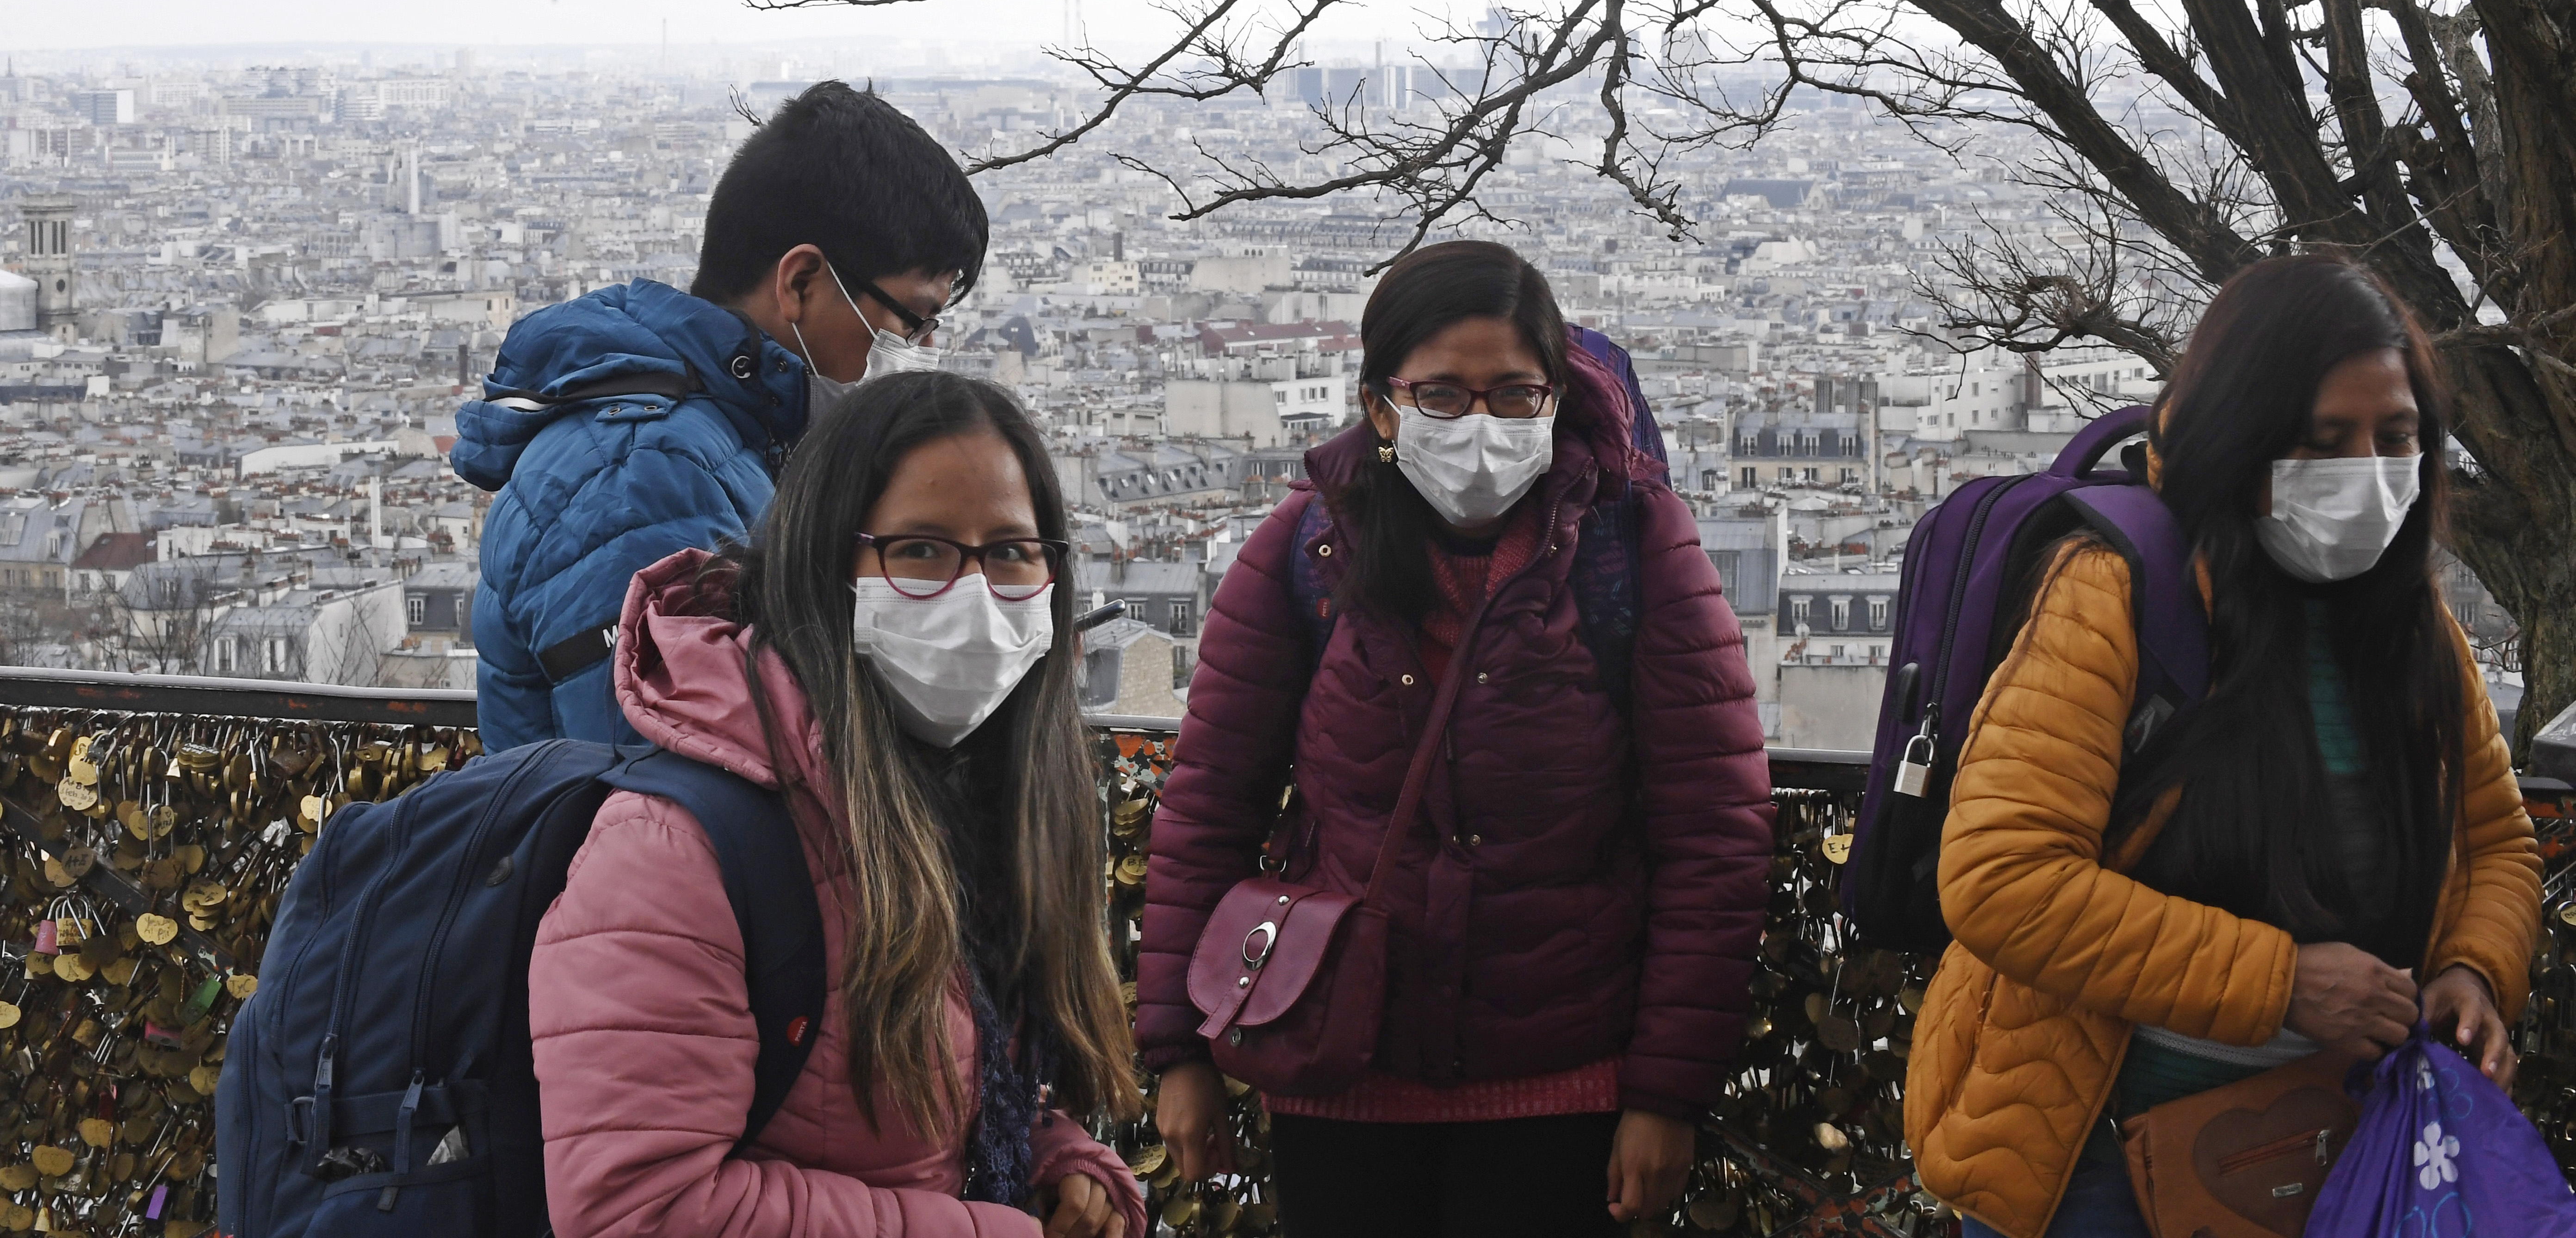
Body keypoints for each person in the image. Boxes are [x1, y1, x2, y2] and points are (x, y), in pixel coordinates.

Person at [1135, 240, 1774, 1238]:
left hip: (1562, 1086)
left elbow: (1715, 836)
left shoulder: (1635, 544)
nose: (1480, 426)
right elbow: (1209, 800)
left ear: (1557, 397)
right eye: (1443, 395)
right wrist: (1177, 1048)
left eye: (1513, 395)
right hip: (1341, 1071)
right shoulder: (1308, 550)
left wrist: (1663, 1094)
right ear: (1381, 406)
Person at [1905, 253, 2542, 1238]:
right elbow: (2003, 874)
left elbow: (2496, 839)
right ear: (2243, 439)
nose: (2369, 476)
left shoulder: (2411, 618)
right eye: (2326, 442)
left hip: (2347, 1135)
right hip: (2107, 1158)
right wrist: (2282, 981)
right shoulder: (2116, 591)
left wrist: (2473, 969)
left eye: (2397, 438)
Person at [527, 370, 1146, 1238]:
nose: (975, 593)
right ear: (825, 563)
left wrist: (1051, 1158)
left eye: (1011, 551)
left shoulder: (969, 796)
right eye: (921, 550)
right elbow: (638, 1209)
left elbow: (940, 1092)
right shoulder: (673, 852)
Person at [453, 81, 989, 752]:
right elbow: (674, 768)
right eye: (914, 320)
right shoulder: (647, 473)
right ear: (801, 284)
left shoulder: (727, 440)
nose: (924, 351)